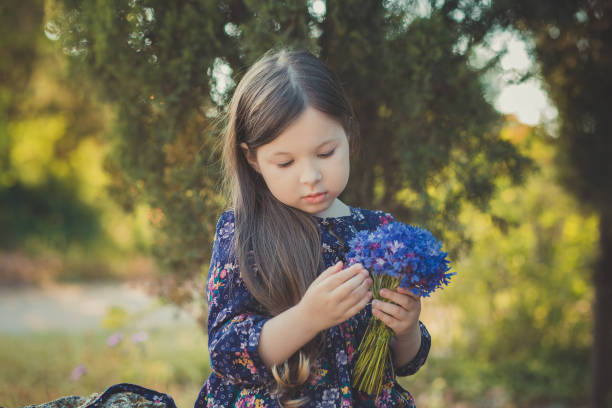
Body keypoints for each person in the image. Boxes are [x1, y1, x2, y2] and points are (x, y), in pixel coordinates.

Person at [194, 48, 431, 408]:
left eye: (325, 153)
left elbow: (405, 361)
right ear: (253, 159)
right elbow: (226, 352)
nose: (311, 177)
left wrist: (407, 326)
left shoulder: (379, 232)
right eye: (285, 162)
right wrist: (307, 318)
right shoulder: (244, 234)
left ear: (347, 135)